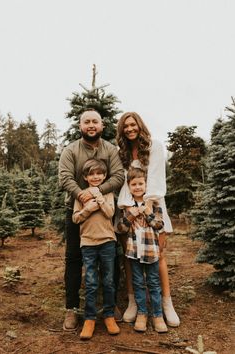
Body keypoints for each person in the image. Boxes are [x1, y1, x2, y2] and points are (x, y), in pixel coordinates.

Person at [58, 110, 124, 331]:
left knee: (110, 257)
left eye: (95, 121)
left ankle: (110, 306)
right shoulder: (70, 150)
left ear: (102, 125)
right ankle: (72, 309)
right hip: (76, 209)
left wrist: (96, 190)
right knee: (74, 258)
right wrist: (82, 194)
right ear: (80, 126)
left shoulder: (110, 149)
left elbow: (118, 176)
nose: (91, 125)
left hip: (105, 211)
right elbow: (65, 176)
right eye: (86, 122)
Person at [116, 111, 180, 327]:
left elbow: (156, 178)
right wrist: (128, 209)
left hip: (152, 205)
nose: (130, 129)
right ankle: (134, 302)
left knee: (158, 253)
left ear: (139, 125)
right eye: (125, 126)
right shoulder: (121, 152)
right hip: (129, 206)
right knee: (130, 255)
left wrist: (147, 206)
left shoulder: (155, 146)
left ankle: (166, 303)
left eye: (133, 125)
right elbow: (124, 182)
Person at [72, 158, 120, 339]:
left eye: (99, 173)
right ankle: (89, 318)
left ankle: (108, 315)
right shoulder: (81, 196)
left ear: (105, 175)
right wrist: (87, 209)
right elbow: (75, 219)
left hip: (107, 241)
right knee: (91, 282)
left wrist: (98, 197)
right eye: (91, 174)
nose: (96, 177)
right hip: (88, 244)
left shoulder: (107, 194)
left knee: (108, 281)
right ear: (85, 177)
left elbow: (109, 213)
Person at [117, 167, 168, 333]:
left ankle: (158, 315)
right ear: (129, 187)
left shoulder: (154, 204)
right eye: (134, 184)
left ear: (146, 185)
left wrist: (147, 213)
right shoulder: (126, 206)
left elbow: (160, 225)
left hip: (151, 252)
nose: (137, 187)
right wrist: (130, 215)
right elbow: (121, 229)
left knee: (153, 283)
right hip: (134, 253)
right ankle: (142, 313)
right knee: (138, 283)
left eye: (140, 183)